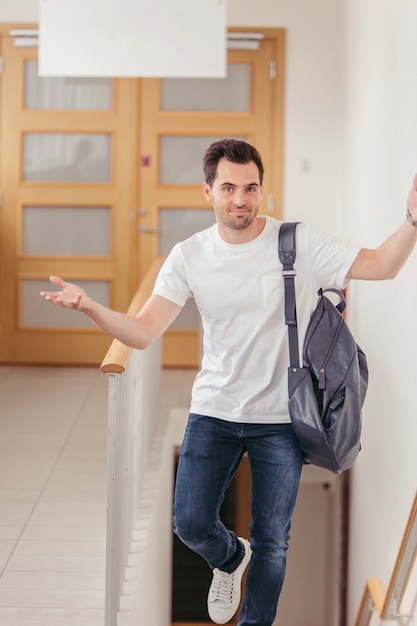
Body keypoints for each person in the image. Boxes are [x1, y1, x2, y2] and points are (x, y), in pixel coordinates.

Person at [40, 139, 417, 626]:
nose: (241, 199)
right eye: (229, 188)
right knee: (190, 522)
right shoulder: (189, 255)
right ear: (208, 191)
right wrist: (90, 308)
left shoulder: (296, 242)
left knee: (274, 541)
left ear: (261, 190)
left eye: (251, 188)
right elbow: (143, 331)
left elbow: (381, 266)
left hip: (281, 417)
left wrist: (411, 222)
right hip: (215, 408)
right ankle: (229, 559)